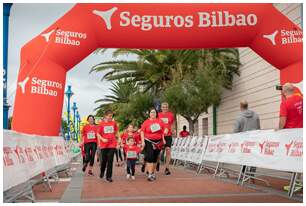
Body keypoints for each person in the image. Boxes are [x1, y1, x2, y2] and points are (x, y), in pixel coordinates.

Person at [233, 100, 260, 183]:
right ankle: (251, 174)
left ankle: (243, 174)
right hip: (254, 139)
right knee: (253, 157)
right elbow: (258, 127)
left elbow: (236, 131)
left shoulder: (239, 117)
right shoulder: (256, 115)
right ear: (247, 106)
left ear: (240, 106)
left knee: (244, 157)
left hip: (244, 141)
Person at [141, 108, 168, 181]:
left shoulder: (160, 121)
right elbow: (142, 132)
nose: (153, 114)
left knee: (155, 158)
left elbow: (164, 129)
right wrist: (143, 141)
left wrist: (165, 133)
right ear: (149, 114)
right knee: (150, 157)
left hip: (158, 142)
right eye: (151, 112)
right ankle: (149, 174)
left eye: (154, 112)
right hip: (148, 141)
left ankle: (152, 172)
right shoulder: (146, 122)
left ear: (156, 114)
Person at [97, 110, 119, 182]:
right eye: (109, 116)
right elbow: (98, 134)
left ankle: (109, 176)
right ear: (105, 116)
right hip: (104, 145)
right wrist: (102, 139)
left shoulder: (113, 123)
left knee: (110, 160)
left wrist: (119, 140)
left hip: (112, 144)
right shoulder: (101, 124)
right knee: (104, 160)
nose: (110, 117)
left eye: (111, 116)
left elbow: (116, 132)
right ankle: (102, 171)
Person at [158, 102, 175, 175]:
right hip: (160, 135)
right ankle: (157, 162)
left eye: (166, 107)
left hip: (168, 135)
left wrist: (173, 130)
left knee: (168, 150)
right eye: (163, 107)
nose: (165, 108)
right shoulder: (158, 115)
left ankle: (167, 168)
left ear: (168, 108)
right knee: (157, 152)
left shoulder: (171, 115)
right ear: (161, 108)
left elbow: (173, 124)